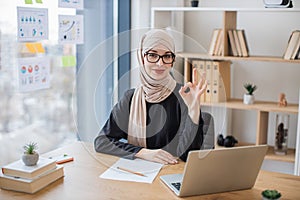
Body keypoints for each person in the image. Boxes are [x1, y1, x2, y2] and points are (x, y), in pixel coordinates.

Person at [94, 29, 207, 165]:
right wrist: (143, 153)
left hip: (171, 175)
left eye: (167, 56)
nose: (160, 63)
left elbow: (187, 156)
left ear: (172, 61)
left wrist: (193, 110)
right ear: (142, 58)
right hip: (138, 177)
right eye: (153, 55)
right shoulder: (130, 98)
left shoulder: (184, 95)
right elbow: (102, 142)